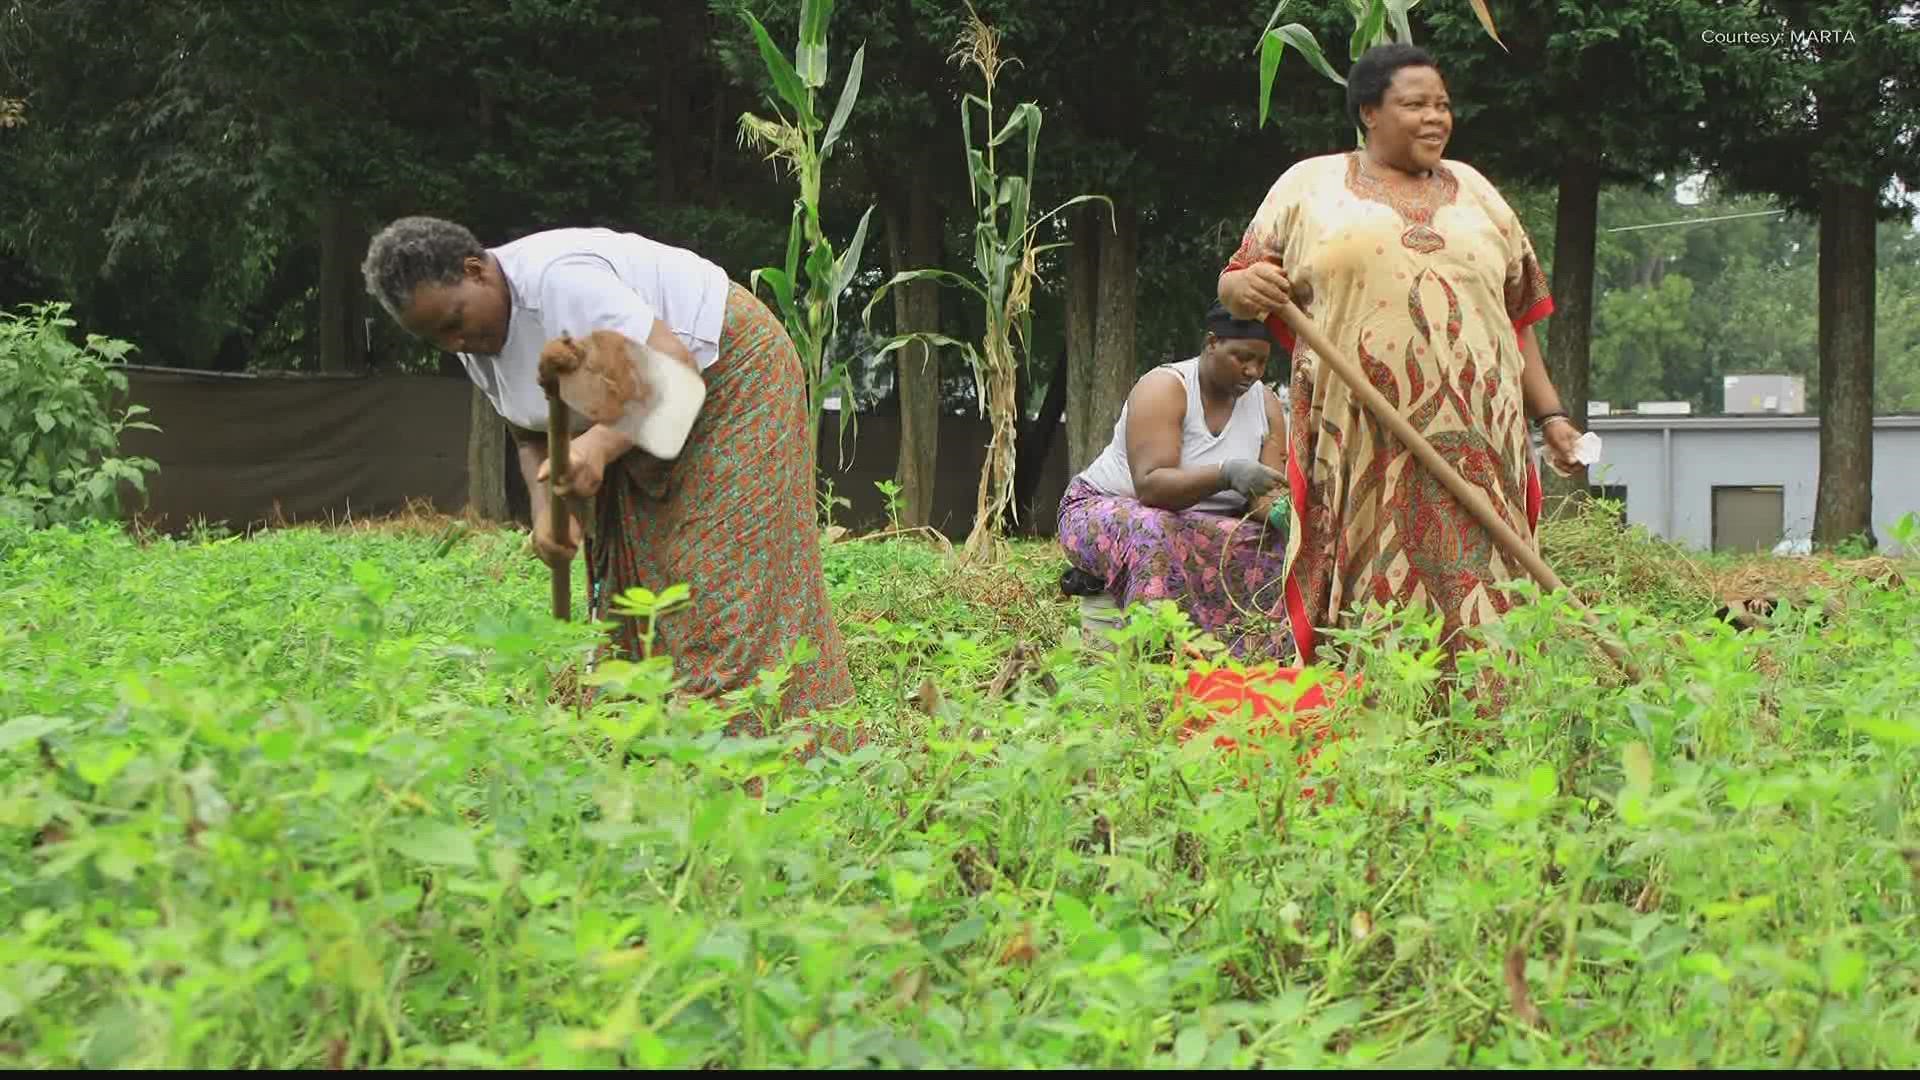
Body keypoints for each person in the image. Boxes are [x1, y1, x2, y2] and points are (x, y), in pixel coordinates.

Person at [360, 217, 858, 753]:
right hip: (630, 414)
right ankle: (651, 756)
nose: (455, 342)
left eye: (454, 321)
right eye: (434, 337)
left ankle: (769, 763)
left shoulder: (558, 281)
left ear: (476, 270)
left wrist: (595, 448)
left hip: (725, 376)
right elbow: (530, 436)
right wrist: (548, 512)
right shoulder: (473, 347)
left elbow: (676, 374)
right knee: (634, 590)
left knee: (720, 585)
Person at [1217, 43, 1582, 682]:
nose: (1435, 117)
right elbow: (1238, 280)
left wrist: (1550, 416)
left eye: (1442, 105)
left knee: (1489, 573)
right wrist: (1243, 288)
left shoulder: (1479, 193)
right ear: (1369, 112)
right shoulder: (1308, 186)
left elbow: (1517, 320)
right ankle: (1371, 714)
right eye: (1415, 105)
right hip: (1360, 434)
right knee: (1368, 571)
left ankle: (1488, 717)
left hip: (1480, 440)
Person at [1056, 302, 1294, 660]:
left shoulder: (1267, 405)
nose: (1252, 370)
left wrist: (1282, 514)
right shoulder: (1166, 387)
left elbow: (1262, 497)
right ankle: (1157, 653)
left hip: (1194, 524)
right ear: (1212, 342)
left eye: (1261, 362)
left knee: (1276, 548)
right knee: (1153, 528)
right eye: (1242, 357)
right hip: (1106, 510)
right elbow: (1151, 487)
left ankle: (1246, 658)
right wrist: (1225, 473)